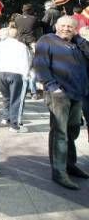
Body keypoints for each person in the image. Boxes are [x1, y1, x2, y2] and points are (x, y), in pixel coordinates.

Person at [33, 15, 89, 190]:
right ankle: (59, 171)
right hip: (59, 94)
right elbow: (40, 64)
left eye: (70, 27)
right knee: (60, 133)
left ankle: (70, 165)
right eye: (63, 26)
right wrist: (52, 86)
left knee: (72, 131)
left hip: (77, 94)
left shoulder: (77, 44)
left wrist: (79, 38)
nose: (66, 29)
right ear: (56, 26)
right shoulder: (47, 40)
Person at [0, 28, 31, 133]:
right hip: (16, 73)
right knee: (17, 99)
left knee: (6, 97)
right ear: (17, 35)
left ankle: (6, 117)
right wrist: (26, 74)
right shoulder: (22, 46)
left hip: (1, 72)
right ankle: (15, 125)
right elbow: (26, 61)